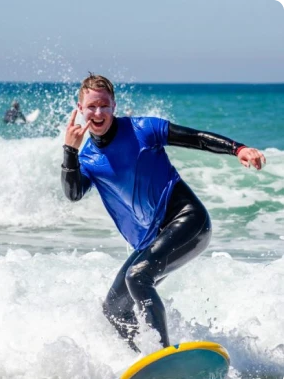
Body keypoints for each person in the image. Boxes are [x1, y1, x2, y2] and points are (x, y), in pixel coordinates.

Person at [61, 74, 266, 352]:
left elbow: (196, 139)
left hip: (188, 221)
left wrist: (237, 149)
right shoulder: (86, 158)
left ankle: (163, 355)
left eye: (104, 106)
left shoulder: (142, 129)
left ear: (114, 107)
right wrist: (69, 152)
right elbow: (73, 194)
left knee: (138, 277)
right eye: (91, 107)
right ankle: (147, 362)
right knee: (114, 309)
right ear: (80, 109)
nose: (98, 113)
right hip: (152, 237)